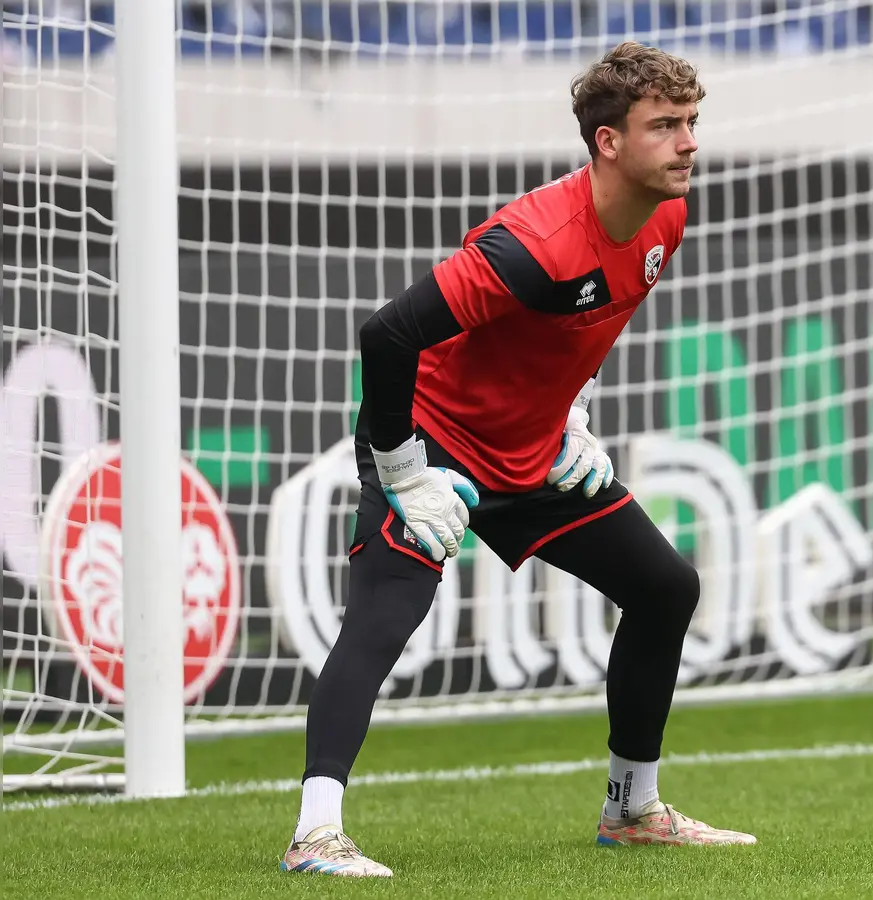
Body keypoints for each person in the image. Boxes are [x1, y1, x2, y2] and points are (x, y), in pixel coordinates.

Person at [280, 41, 756, 879]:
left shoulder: (668, 214)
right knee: (385, 617)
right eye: (666, 126)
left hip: (534, 453)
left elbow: (590, 322)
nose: (689, 143)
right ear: (607, 142)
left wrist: (571, 411)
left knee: (666, 587)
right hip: (438, 451)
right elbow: (386, 334)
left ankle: (632, 809)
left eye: (691, 123)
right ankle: (315, 834)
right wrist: (400, 470)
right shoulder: (532, 244)